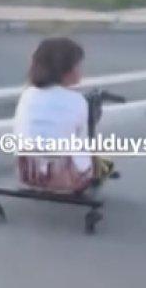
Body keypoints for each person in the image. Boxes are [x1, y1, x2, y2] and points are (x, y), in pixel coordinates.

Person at [12, 37, 113, 194]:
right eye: (78, 66)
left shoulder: (27, 94)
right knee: (99, 159)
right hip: (66, 180)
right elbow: (82, 145)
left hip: (27, 175)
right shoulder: (77, 100)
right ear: (67, 70)